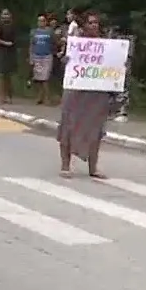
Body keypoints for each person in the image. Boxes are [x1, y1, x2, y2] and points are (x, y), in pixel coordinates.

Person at [57, 11, 112, 179]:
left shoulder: (106, 46)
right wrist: (64, 61)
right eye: (90, 22)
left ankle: (93, 167)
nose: (94, 25)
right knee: (68, 126)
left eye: (96, 23)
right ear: (83, 26)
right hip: (75, 91)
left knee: (95, 128)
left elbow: (112, 66)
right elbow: (63, 62)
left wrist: (120, 64)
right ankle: (65, 165)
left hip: (96, 93)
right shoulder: (75, 44)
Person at [29, 14, 56, 105]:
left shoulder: (50, 31)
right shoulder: (34, 32)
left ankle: (47, 98)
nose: (41, 22)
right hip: (37, 56)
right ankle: (40, 96)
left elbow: (54, 42)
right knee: (38, 79)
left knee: (45, 78)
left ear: (46, 22)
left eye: (43, 20)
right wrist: (31, 57)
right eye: (39, 21)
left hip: (47, 56)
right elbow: (32, 45)